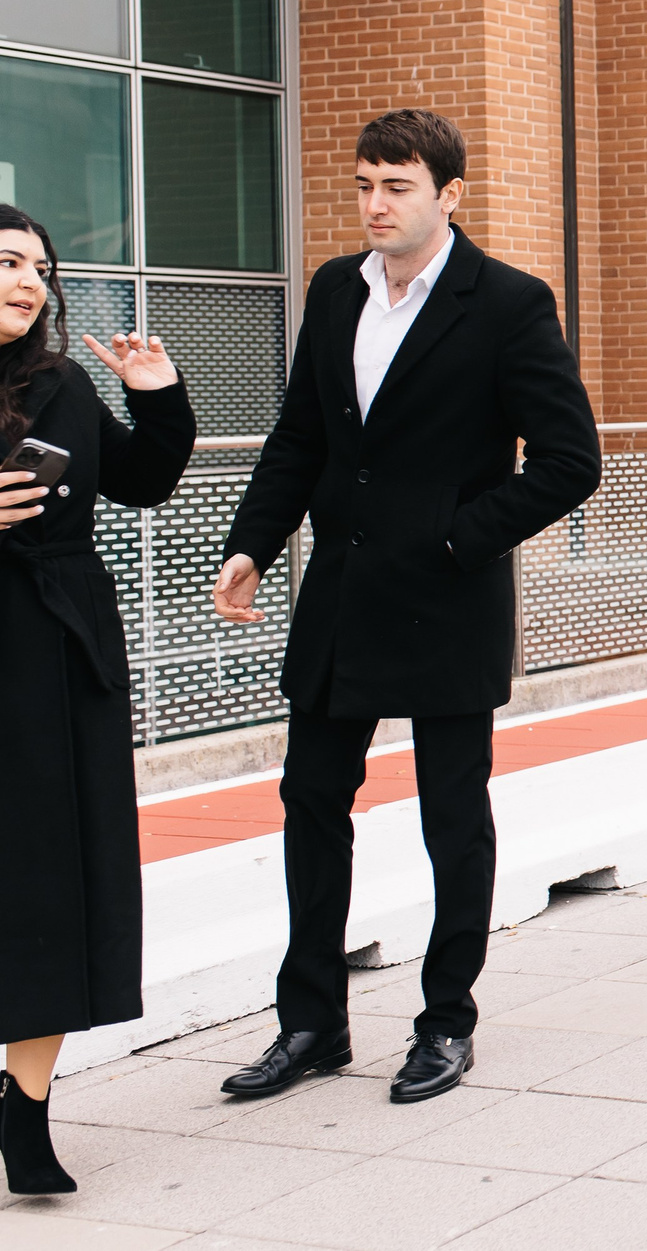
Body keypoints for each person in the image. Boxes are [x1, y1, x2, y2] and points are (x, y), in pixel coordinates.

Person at [210, 110, 600, 1105]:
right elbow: (301, 435)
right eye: (365, 186)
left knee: (451, 818)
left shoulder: (508, 304)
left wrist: (458, 540)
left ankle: (445, 1020)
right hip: (341, 595)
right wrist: (252, 544)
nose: (376, 205)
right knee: (309, 804)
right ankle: (310, 1024)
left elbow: (569, 463)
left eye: (397, 187)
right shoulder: (337, 289)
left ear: (448, 196)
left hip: (447, 601)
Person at [0, 206, 196, 1194]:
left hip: (56, 661)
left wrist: (158, 400)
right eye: (5, 261)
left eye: (39, 267)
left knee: (54, 884)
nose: (27, 280)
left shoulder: (63, 383)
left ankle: (25, 1111)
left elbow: (146, 484)